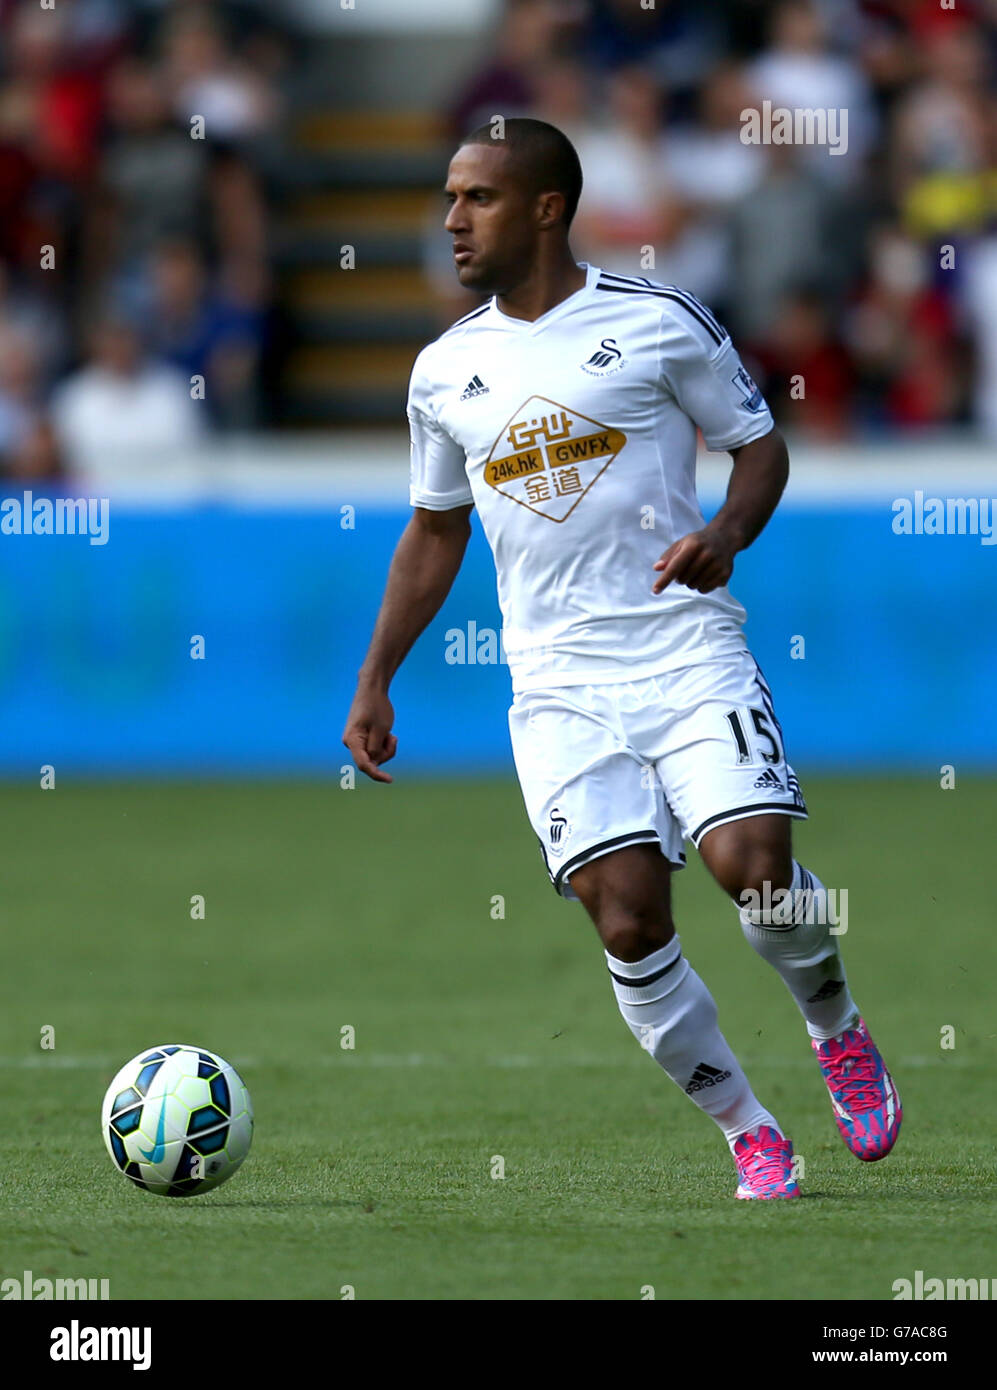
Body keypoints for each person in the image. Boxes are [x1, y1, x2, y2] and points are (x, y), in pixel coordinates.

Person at [343, 118, 901, 1199]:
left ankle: (835, 1023)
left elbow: (758, 444)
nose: (451, 220)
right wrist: (375, 677)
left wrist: (727, 535)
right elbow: (434, 529)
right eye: (449, 197)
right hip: (555, 685)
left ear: (546, 208)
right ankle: (748, 1129)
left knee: (758, 872)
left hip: (683, 649)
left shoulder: (655, 322)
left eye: (478, 199)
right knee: (628, 912)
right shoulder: (443, 369)